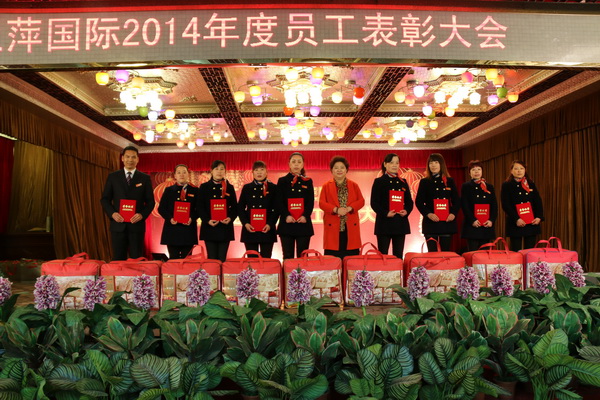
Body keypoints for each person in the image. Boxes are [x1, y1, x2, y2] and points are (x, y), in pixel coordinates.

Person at [100, 145, 155, 260]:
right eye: (127, 157)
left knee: (136, 259)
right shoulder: (113, 177)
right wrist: (113, 214)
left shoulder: (144, 178)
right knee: (118, 259)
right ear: (122, 158)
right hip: (118, 224)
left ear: (137, 159)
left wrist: (141, 215)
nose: (130, 159)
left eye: (133, 157)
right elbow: (105, 199)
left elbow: (150, 202)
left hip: (136, 225)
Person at [319, 156, 365, 259]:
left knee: (352, 260)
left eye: (342, 167)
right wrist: (336, 210)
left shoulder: (354, 185)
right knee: (333, 261)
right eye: (336, 168)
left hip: (350, 226)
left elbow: (361, 201)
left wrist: (349, 208)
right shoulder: (326, 186)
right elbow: (322, 203)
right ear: (332, 170)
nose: (339, 170)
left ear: (346, 170)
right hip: (333, 226)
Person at [370, 153, 414, 258]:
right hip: (384, 224)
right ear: (385, 164)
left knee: (398, 256)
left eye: (397, 163)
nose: (394, 165)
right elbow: (374, 203)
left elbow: (409, 202)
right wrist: (386, 213)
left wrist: (406, 211)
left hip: (400, 223)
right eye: (391, 162)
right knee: (383, 256)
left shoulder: (403, 182)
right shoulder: (379, 181)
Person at [416, 153, 461, 252]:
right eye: (431, 163)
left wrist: (453, 213)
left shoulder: (449, 181)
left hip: (446, 222)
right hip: (431, 222)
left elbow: (457, 201)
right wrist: (428, 214)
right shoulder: (424, 182)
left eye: (436, 162)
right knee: (432, 253)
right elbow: (419, 202)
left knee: (445, 253)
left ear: (441, 164)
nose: (433, 165)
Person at [196, 160, 238, 262]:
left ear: (225, 171)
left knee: (222, 259)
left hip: (224, 228)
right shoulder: (204, 187)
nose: (219, 171)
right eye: (216, 169)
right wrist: (207, 220)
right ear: (211, 171)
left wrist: (230, 218)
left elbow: (235, 207)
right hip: (209, 228)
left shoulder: (229, 187)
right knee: (212, 259)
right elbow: (200, 207)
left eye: (222, 169)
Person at [276, 152, 315, 260]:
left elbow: (310, 202)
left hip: (303, 224)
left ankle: (301, 273)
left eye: (299, 162)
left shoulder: (307, 181)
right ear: (289, 164)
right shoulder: (282, 181)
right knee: (287, 256)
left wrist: (305, 216)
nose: (296, 164)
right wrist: (286, 215)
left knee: (303, 257)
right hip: (287, 224)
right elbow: (279, 201)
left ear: (303, 164)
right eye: (293, 162)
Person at [238, 161, 279, 258]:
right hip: (250, 229)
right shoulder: (247, 188)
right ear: (252, 172)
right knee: (252, 261)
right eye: (256, 170)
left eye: (262, 169)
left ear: (266, 172)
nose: (259, 172)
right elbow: (240, 207)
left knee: (266, 259)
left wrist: (270, 224)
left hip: (267, 230)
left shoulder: (273, 188)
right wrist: (245, 223)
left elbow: (277, 208)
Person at [157, 164, 199, 259]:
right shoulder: (169, 190)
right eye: (179, 172)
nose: (181, 174)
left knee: (187, 260)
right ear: (175, 175)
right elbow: (161, 208)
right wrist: (170, 218)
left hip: (188, 231)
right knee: (173, 260)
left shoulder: (195, 190)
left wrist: (192, 218)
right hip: (172, 230)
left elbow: (199, 209)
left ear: (188, 174)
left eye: (184, 172)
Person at [501, 160, 544, 251]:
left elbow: (537, 201)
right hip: (515, 222)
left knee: (530, 251)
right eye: (516, 169)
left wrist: (539, 217)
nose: (519, 171)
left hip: (531, 222)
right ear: (511, 171)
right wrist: (517, 219)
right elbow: (505, 204)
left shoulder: (530, 183)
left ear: (525, 170)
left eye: (521, 168)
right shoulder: (507, 185)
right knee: (516, 251)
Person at [461, 160, 498, 251]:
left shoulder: (489, 187)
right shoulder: (466, 186)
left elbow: (494, 206)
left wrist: (491, 220)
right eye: (473, 170)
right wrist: (473, 220)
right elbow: (465, 205)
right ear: (469, 173)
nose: (476, 172)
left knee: (485, 255)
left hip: (486, 226)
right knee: (473, 254)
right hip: (472, 226)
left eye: (479, 169)